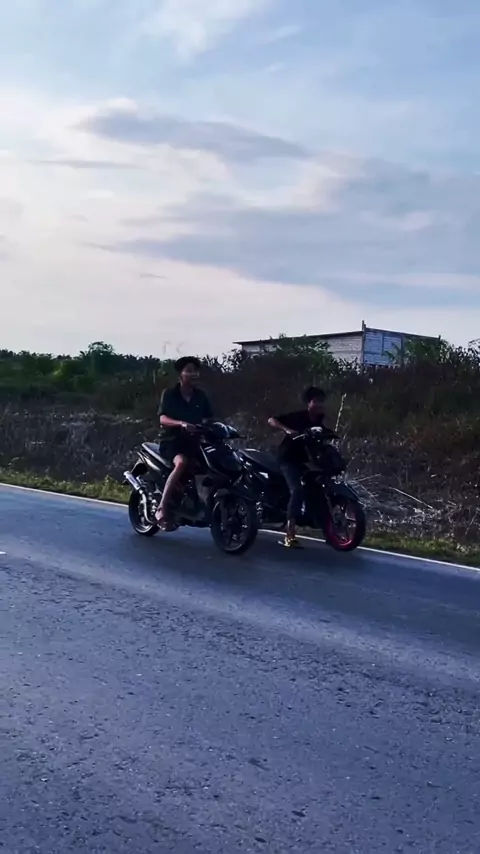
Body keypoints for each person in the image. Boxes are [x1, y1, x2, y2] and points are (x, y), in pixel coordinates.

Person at [155, 356, 213, 530]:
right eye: (189, 370)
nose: (193, 374)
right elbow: (163, 418)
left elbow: (209, 418)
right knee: (181, 463)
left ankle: (204, 505)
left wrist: (211, 427)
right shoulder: (169, 394)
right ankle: (162, 507)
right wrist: (181, 424)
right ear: (180, 374)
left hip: (194, 442)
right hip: (172, 441)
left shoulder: (201, 396)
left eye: (195, 370)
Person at [268, 386, 327, 548]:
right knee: (297, 490)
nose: (319, 404)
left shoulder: (319, 419)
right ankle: (290, 533)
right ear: (309, 403)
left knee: (319, 486)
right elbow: (272, 420)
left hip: (305, 460)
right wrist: (288, 430)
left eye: (321, 401)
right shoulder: (298, 416)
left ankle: (325, 526)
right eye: (316, 401)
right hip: (288, 459)